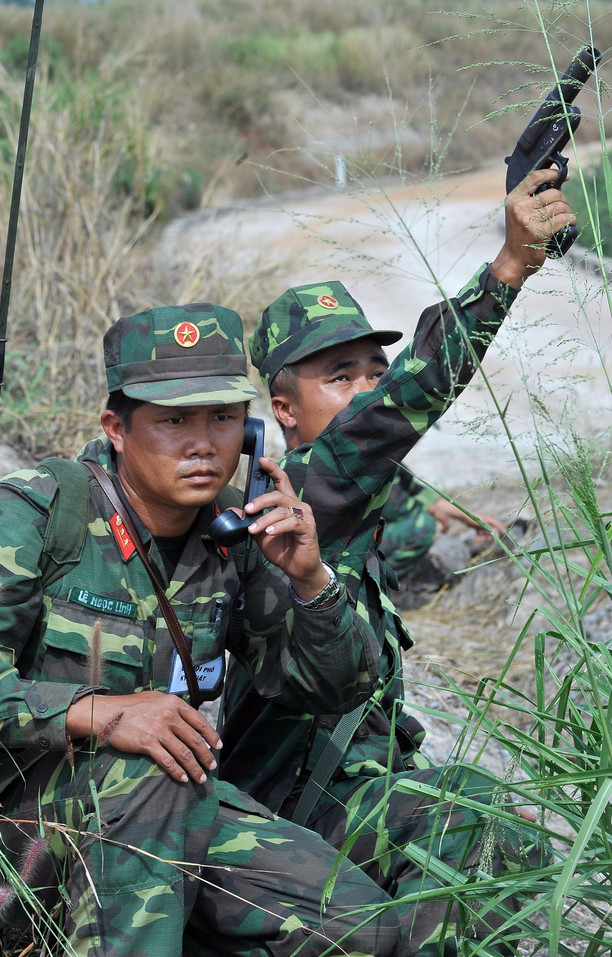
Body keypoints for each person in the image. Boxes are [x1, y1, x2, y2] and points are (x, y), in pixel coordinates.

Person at [0, 304, 400, 956]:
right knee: (155, 772)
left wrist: (312, 580)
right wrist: (98, 713)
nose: (202, 442)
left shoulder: (235, 536)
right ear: (117, 427)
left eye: (221, 417)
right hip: (8, 843)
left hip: (162, 818)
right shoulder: (42, 510)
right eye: (173, 420)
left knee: (365, 926)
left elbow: (339, 689)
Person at [219, 168, 575, 954]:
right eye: (337, 376)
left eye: (373, 372)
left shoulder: (344, 495)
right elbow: (409, 398)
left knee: (496, 843)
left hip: (349, 781)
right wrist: (508, 265)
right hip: (296, 803)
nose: (367, 391)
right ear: (283, 409)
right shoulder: (304, 486)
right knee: (472, 850)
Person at [379, 464, 506, 580]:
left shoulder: (391, 452)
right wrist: (431, 510)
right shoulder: (381, 450)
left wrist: (468, 516)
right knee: (423, 525)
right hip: (361, 538)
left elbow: (418, 492)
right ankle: (376, 583)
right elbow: (395, 507)